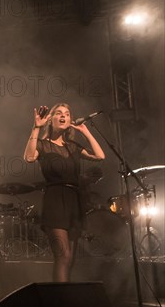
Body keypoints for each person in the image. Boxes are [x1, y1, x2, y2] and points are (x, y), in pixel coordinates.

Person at [23, 103, 105, 282]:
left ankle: (64, 296)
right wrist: (36, 127)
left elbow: (100, 156)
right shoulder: (43, 145)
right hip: (55, 201)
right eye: (59, 113)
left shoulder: (73, 147)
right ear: (50, 120)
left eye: (67, 114)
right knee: (63, 256)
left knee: (71, 259)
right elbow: (29, 157)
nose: (64, 116)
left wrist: (85, 131)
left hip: (74, 201)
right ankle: (59, 302)